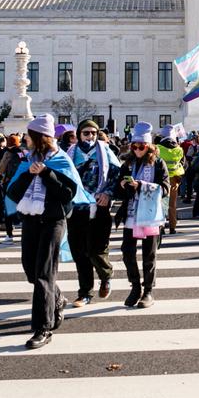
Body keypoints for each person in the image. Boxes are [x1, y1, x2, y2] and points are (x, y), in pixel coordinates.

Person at [5, 114, 82, 349]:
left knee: (44, 275)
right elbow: (13, 192)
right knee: (31, 270)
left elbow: (68, 195)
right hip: (30, 219)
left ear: (39, 138)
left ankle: (43, 328)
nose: (25, 139)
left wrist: (47, 174)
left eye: (29, 135)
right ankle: (57, 298)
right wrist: (30, 173)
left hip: (53, 221)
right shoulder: (27, 161)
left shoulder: (60, 161)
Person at [116, 122, 169, 308]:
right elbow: (117, 188)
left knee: (149, 253)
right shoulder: (128, 163)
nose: (137, 149)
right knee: (127, 252)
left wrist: (144, 186)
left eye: (141, 146)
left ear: (149, 147)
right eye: (134, 146)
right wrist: (122, 186)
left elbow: (165, 188)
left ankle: (148, 291)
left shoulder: (158, 163)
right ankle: (135, 286)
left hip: (151, 213)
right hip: (131, 212)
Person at [69, 120, 120, 305]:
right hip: (77, 208)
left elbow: (117, 175)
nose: (90, 136)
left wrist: (108, 193)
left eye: (93, 133)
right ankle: (85, 292)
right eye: (86, 133)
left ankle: (105, 274)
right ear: (79, 134)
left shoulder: (105, 151)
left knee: (95, 249)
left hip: (99, 207)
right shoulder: (70, 153)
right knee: (79, 251)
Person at [157, 125, 186, 234]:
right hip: (174, 178)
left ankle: (161, 226)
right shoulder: (179, 149)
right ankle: (173, 227)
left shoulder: (158, 148)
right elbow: (183, 164)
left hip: (161, 179)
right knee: (172, 204)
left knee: (161, 203)